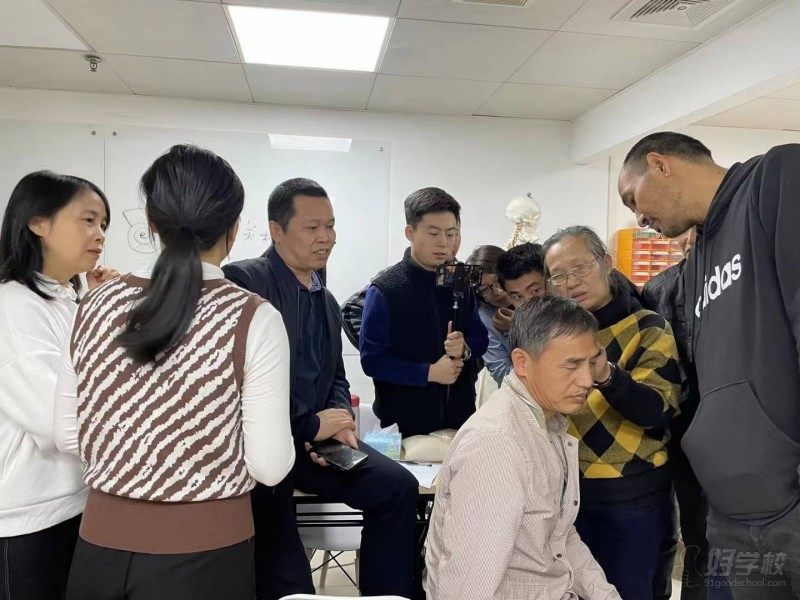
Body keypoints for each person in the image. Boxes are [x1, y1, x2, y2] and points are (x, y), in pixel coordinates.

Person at [53, 145, 294, 600]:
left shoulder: (95, 303)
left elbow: (69, 436)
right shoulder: (252, 317)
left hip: (98, 550)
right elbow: (270, 465)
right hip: (207, 553)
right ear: (234, 228)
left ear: (151, 222)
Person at [618, 132, 800, 598]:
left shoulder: (776, 177)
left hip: (789, 504)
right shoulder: (699, 254)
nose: (639, 219)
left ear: (660, 165)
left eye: (633, 198)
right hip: (733, 509)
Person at [223, 177, 418, 599]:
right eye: (312, 227)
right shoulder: (246, 281)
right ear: (276, 231)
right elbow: (243, 382)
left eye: (330, 226)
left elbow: (336, 377)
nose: (326, 237)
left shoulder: (326, 300)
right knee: (287, 571)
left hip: (319, 443)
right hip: (263, 449)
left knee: (397, 487)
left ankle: (388, 594)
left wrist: (341, 420)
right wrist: (309, 425)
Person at [424, 295, 622, 600]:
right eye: (571, 365)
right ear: (522, 363)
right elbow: (467, 589)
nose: (587, 380)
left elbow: (558, 536)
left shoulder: (546, 423)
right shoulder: (497, 445)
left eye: (592, 362)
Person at [543, 225, 681, 600]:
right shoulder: (553, 339)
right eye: (558, 275)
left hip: (632, 496)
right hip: (567, 496)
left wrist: (607, 375)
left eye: (580, 267)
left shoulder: (648, 326)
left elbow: (658, 410)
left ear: (606, 263)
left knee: (632, 591)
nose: (571, 282)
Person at [0, 170, 116, 599]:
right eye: (87, 220)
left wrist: (101, 309)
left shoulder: (67, 300)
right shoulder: (15, 305)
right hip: (31, 520)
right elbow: (58, 421)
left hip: (77, 503)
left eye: (103, 224)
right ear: (38, 222)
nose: (99, 234)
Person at [360, 187, 489, 437]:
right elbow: (372, 360)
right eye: (433, 233)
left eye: (451, 234)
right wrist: (428, 372)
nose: (443, 243)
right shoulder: (386, 288)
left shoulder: (460, 281)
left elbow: (481, 339)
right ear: (410, 232)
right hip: (402, 425)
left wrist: (465, 348)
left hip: (460, 420)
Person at [466, 245, 514, 404]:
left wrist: (518, 325)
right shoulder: (484, 319)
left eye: (498, 281)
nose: (498, 292)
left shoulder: (532, 293)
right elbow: (503, 373)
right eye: (485, 289)